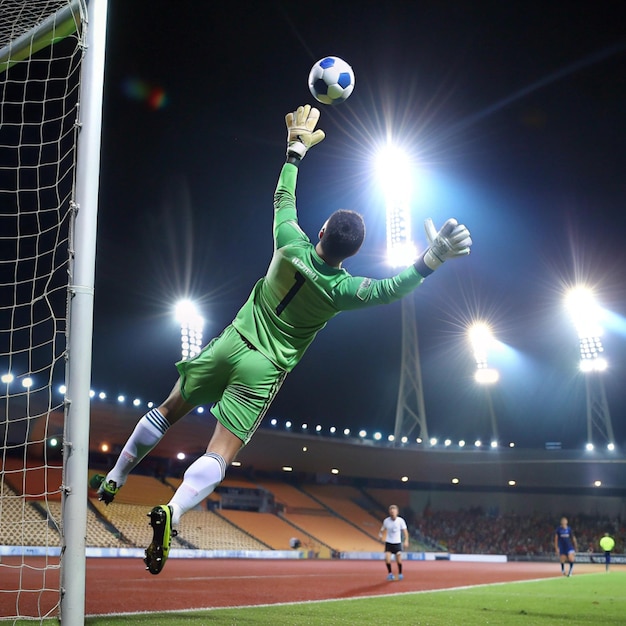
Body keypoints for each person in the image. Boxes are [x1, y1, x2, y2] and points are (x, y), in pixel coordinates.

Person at [89, 104, 472, 575]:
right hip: (263, 368)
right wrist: (430, 258)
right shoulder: (342, 289)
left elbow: (281, 199)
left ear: (323, 231)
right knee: (219, 453)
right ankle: (175, 511)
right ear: (351, 254)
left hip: (230, 343)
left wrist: (294, 152)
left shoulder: (289, 241)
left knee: (167, 409)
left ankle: (115, 476)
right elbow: (391, 290)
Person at [379, 504, 409, 581]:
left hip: (397, 543)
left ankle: (400, 573)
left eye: (394, 511)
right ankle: (390, 574)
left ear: (397, 512)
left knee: (398, 560)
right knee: (387, 559)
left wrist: (406, 540)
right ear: (389, 512)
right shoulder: (386, 521)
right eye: (391, 511)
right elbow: (382, 529)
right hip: (389, 542)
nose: (392, 512)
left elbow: (405, 532)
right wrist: (380, 535)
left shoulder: (400, 521)